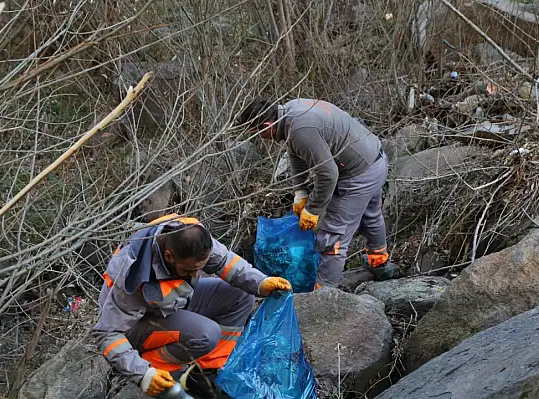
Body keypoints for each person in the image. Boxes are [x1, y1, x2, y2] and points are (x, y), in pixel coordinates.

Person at [92, 213, 291, 398]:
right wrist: (143, 374)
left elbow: (224, 261)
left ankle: (208, 367)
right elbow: (107, 333)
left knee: (241, 295)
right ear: (169, 256)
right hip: (137, 325)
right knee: (206, 334)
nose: (197, 275)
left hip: (172, 305)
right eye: (190, 270)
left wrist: (261, 282)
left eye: (200, 268)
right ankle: (161, 368)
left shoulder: (189, 234)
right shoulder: (132, 274)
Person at [236, 98, 399, 289]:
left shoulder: (299, 129)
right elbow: (296, 154)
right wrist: (300, 192)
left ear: (267, 125)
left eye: (257, 133)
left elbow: (328, 174)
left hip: (359, 174)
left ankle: (324, 297)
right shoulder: (290, 112)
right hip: (374, 159)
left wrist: (313, 209)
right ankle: (379, 262)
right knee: (371, 216)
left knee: (332, 238)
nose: (259, 138)